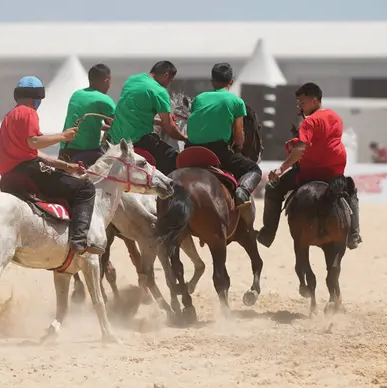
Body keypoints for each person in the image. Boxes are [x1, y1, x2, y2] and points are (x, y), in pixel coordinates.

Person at [0, 76, 102, 255]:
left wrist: (66, 165)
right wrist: (63, 136)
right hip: (28, 173)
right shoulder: (28, 112)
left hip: (8, 178)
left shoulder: (9, 117)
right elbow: (34, 142)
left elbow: (32, 152)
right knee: (85, 189)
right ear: (37, 97)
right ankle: (79, 241)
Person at [256, 82, 362, 250]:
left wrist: (281, 169)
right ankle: (354, 234)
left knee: (273, 188)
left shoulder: (309, 122)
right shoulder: (336, 118)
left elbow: (300, 149)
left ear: (314, 101)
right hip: (334, 173)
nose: (299, 106)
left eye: (302, 102)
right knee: (351, 192)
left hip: (308, 173)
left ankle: (268, 233)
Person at [185, 63, 262, 209]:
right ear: (231, 81)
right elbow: (239, 138)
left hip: (190, 151)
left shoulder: (199, 98)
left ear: (212, 81)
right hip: (217, 151)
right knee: (254, 170)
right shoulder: (237, 102)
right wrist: (238, 147)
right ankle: (242, 193)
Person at [107, 60, 187, 175]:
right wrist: (184, 137)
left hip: (114, 139)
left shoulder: (132, 80)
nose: (168, 83)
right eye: (170, 80)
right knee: (175, 160)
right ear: (166, 75)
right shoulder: (159, 91)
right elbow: (169, 127)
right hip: (137, 141)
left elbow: (134, 113)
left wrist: (159, 123)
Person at [58, 64, 116, 167]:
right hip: (87, 153)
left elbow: (84, 121)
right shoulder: (104, 99)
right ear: (106, 80)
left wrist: (103, 127)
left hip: (65, 150)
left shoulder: (77, 94)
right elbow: (117, 126)